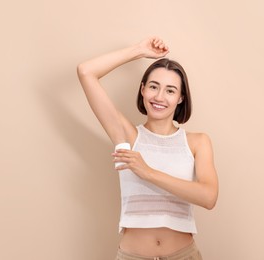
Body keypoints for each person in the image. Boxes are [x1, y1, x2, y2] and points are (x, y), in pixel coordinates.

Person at [77, 37, 219, 260]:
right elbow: (86, 72)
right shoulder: (127, 135)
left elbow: (209, 197)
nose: (159, 97)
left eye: (170, 91)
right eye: (154, 87)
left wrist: (149, 172)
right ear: (143, 90)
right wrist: (139, 50)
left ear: (181, 98)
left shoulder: (197, 142)